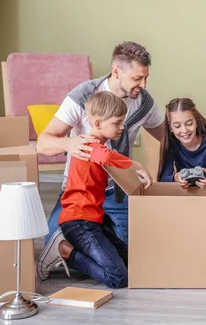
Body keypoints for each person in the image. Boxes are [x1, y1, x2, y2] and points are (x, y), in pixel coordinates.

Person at [35, 41, 165, 279]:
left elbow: (168, 137)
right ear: (117, 71)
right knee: (50, 243)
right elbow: (43, 142)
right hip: (80, 192)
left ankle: (99, 237)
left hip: (117, 191)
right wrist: (68, 143)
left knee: (135, 262)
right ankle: (85, 245)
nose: (143, 85)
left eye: (146, 78)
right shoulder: (84, 95)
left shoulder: (144, 102)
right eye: (137, 78)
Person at [38, 92, 153, 288]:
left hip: (92, 221)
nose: (122, 127)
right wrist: (137, 165)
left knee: (131, 262)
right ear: (98, 124)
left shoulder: (96, 146)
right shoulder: (88, 146)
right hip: (79, 222)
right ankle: (67, 252)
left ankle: (75, 251)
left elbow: (107, 156)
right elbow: (107, 157)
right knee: (118, 278)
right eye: (117, 123)